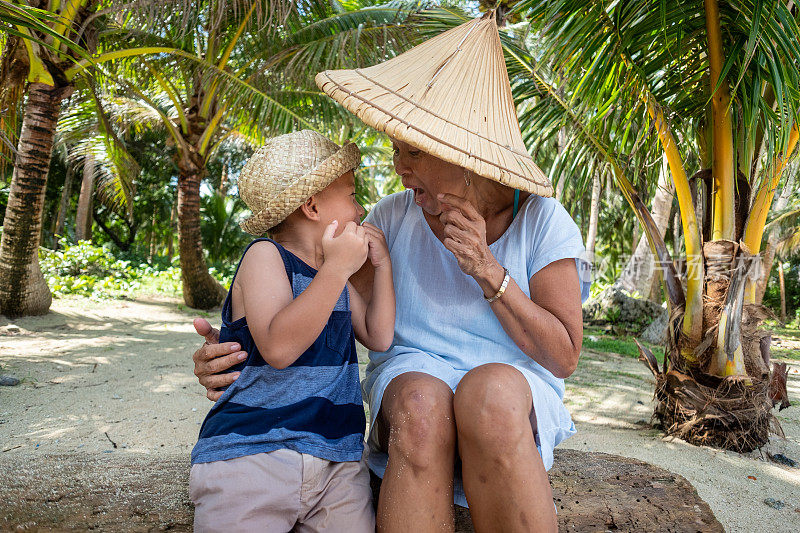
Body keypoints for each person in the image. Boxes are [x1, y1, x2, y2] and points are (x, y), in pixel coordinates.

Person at [193, 13, 591, 533]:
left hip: (512, 394)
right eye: (397, 149)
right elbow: (320, 310)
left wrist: (489, 272)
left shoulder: (542, 221)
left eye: (414, 152)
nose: (399, 168)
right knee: (423, 406)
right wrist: (234, 350)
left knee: (490, 395)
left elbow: (563, 357)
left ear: (466, 157)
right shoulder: (390, 218)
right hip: (413, 384)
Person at [189, 130, 395, 532]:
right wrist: (337, 269)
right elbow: (280, 348)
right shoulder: (265, 257)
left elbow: (379, 335)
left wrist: (382, 265)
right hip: (252, 454)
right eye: (352, 196)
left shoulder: (331, 276)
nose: (360, 209)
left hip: (337, 461)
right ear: (312, 205)